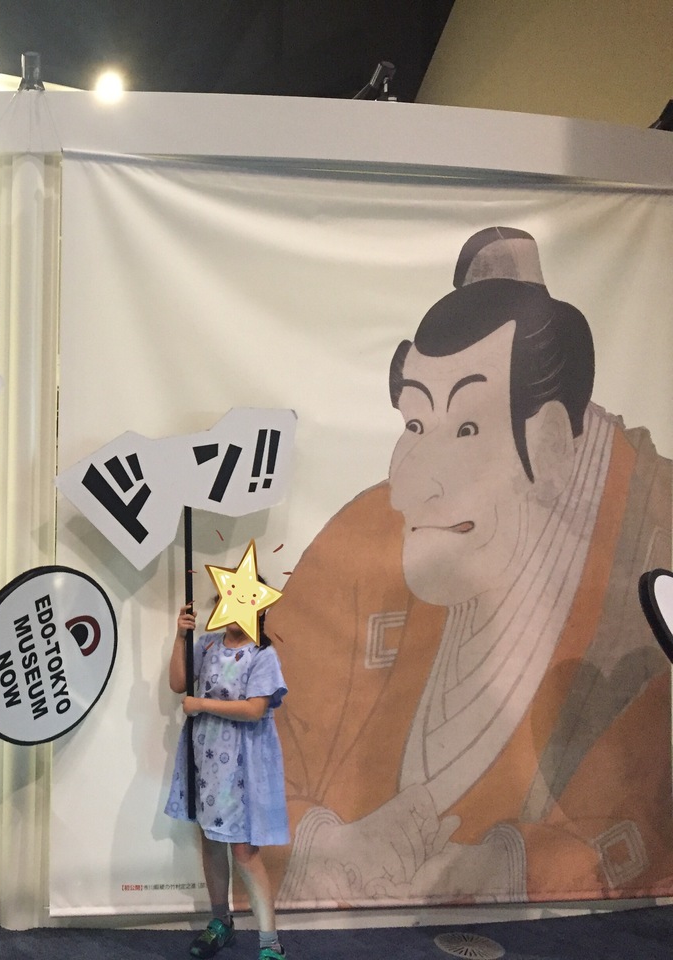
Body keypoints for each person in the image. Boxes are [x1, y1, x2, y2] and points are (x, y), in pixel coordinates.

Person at [267, 227, 673, 905]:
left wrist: (514, 867)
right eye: (414, 423)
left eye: (466, 428)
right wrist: (319, 839)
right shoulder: (369, 532)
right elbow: (269, 717)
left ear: (550, 443)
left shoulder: (652, 530)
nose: (409, 480)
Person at [164, 600, 289, 960]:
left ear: (260, 609)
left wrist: (202, 705)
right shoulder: (206, 645)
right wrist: (180, 637)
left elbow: (255, 709)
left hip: (242, 765)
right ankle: (221, 922)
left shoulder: (262, 655)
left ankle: (270, 943)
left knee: (244, 850)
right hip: (206, 761)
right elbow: (178, 683)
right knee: (212, 840)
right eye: (228, 601)